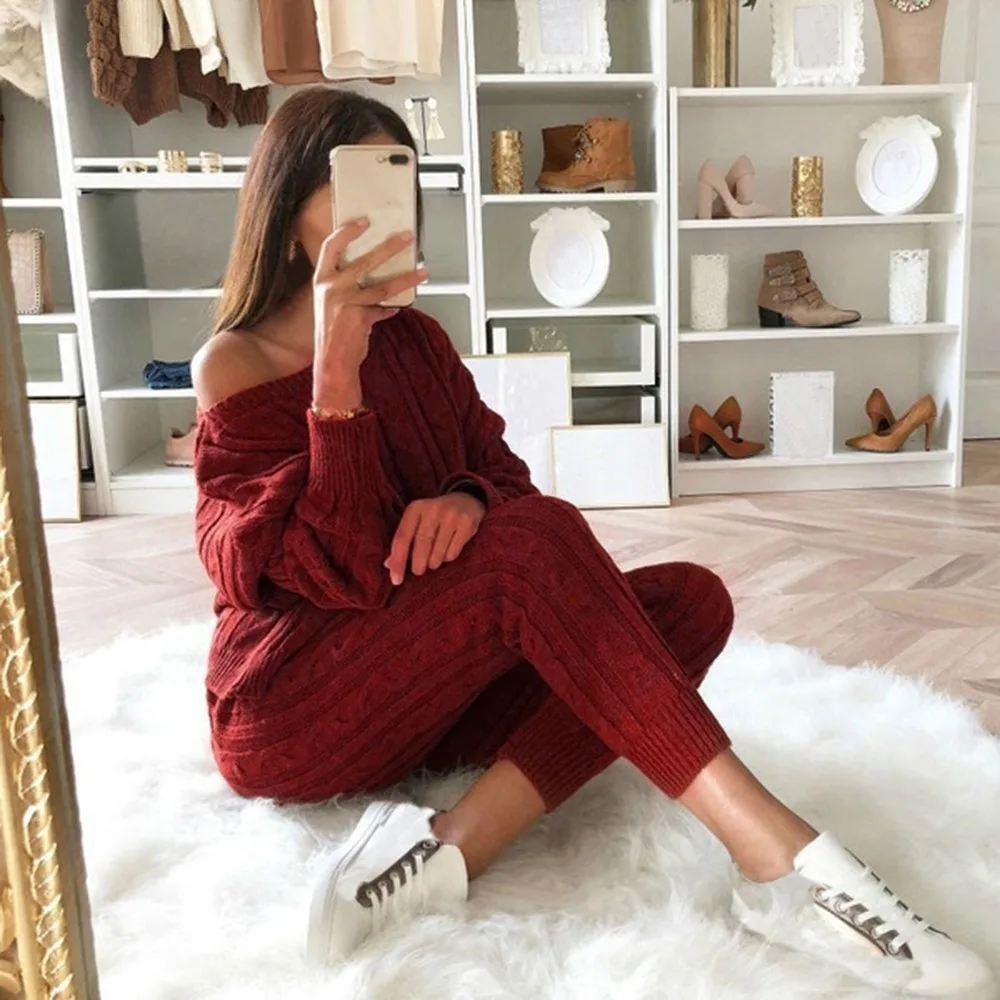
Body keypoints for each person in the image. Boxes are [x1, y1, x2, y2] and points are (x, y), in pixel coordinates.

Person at [191, 87, 995, 998]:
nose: (383, 219)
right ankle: (786, 866)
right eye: (350, 192)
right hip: (289, 710)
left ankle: (454, 850)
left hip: (427, 693)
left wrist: (463, 498)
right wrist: (336, 374)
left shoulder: (419, 344)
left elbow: (502, 478)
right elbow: (322, 571)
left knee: (687, 603)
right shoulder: (234, 366)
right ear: (285, 213)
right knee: (539, 546)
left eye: (398, 190)